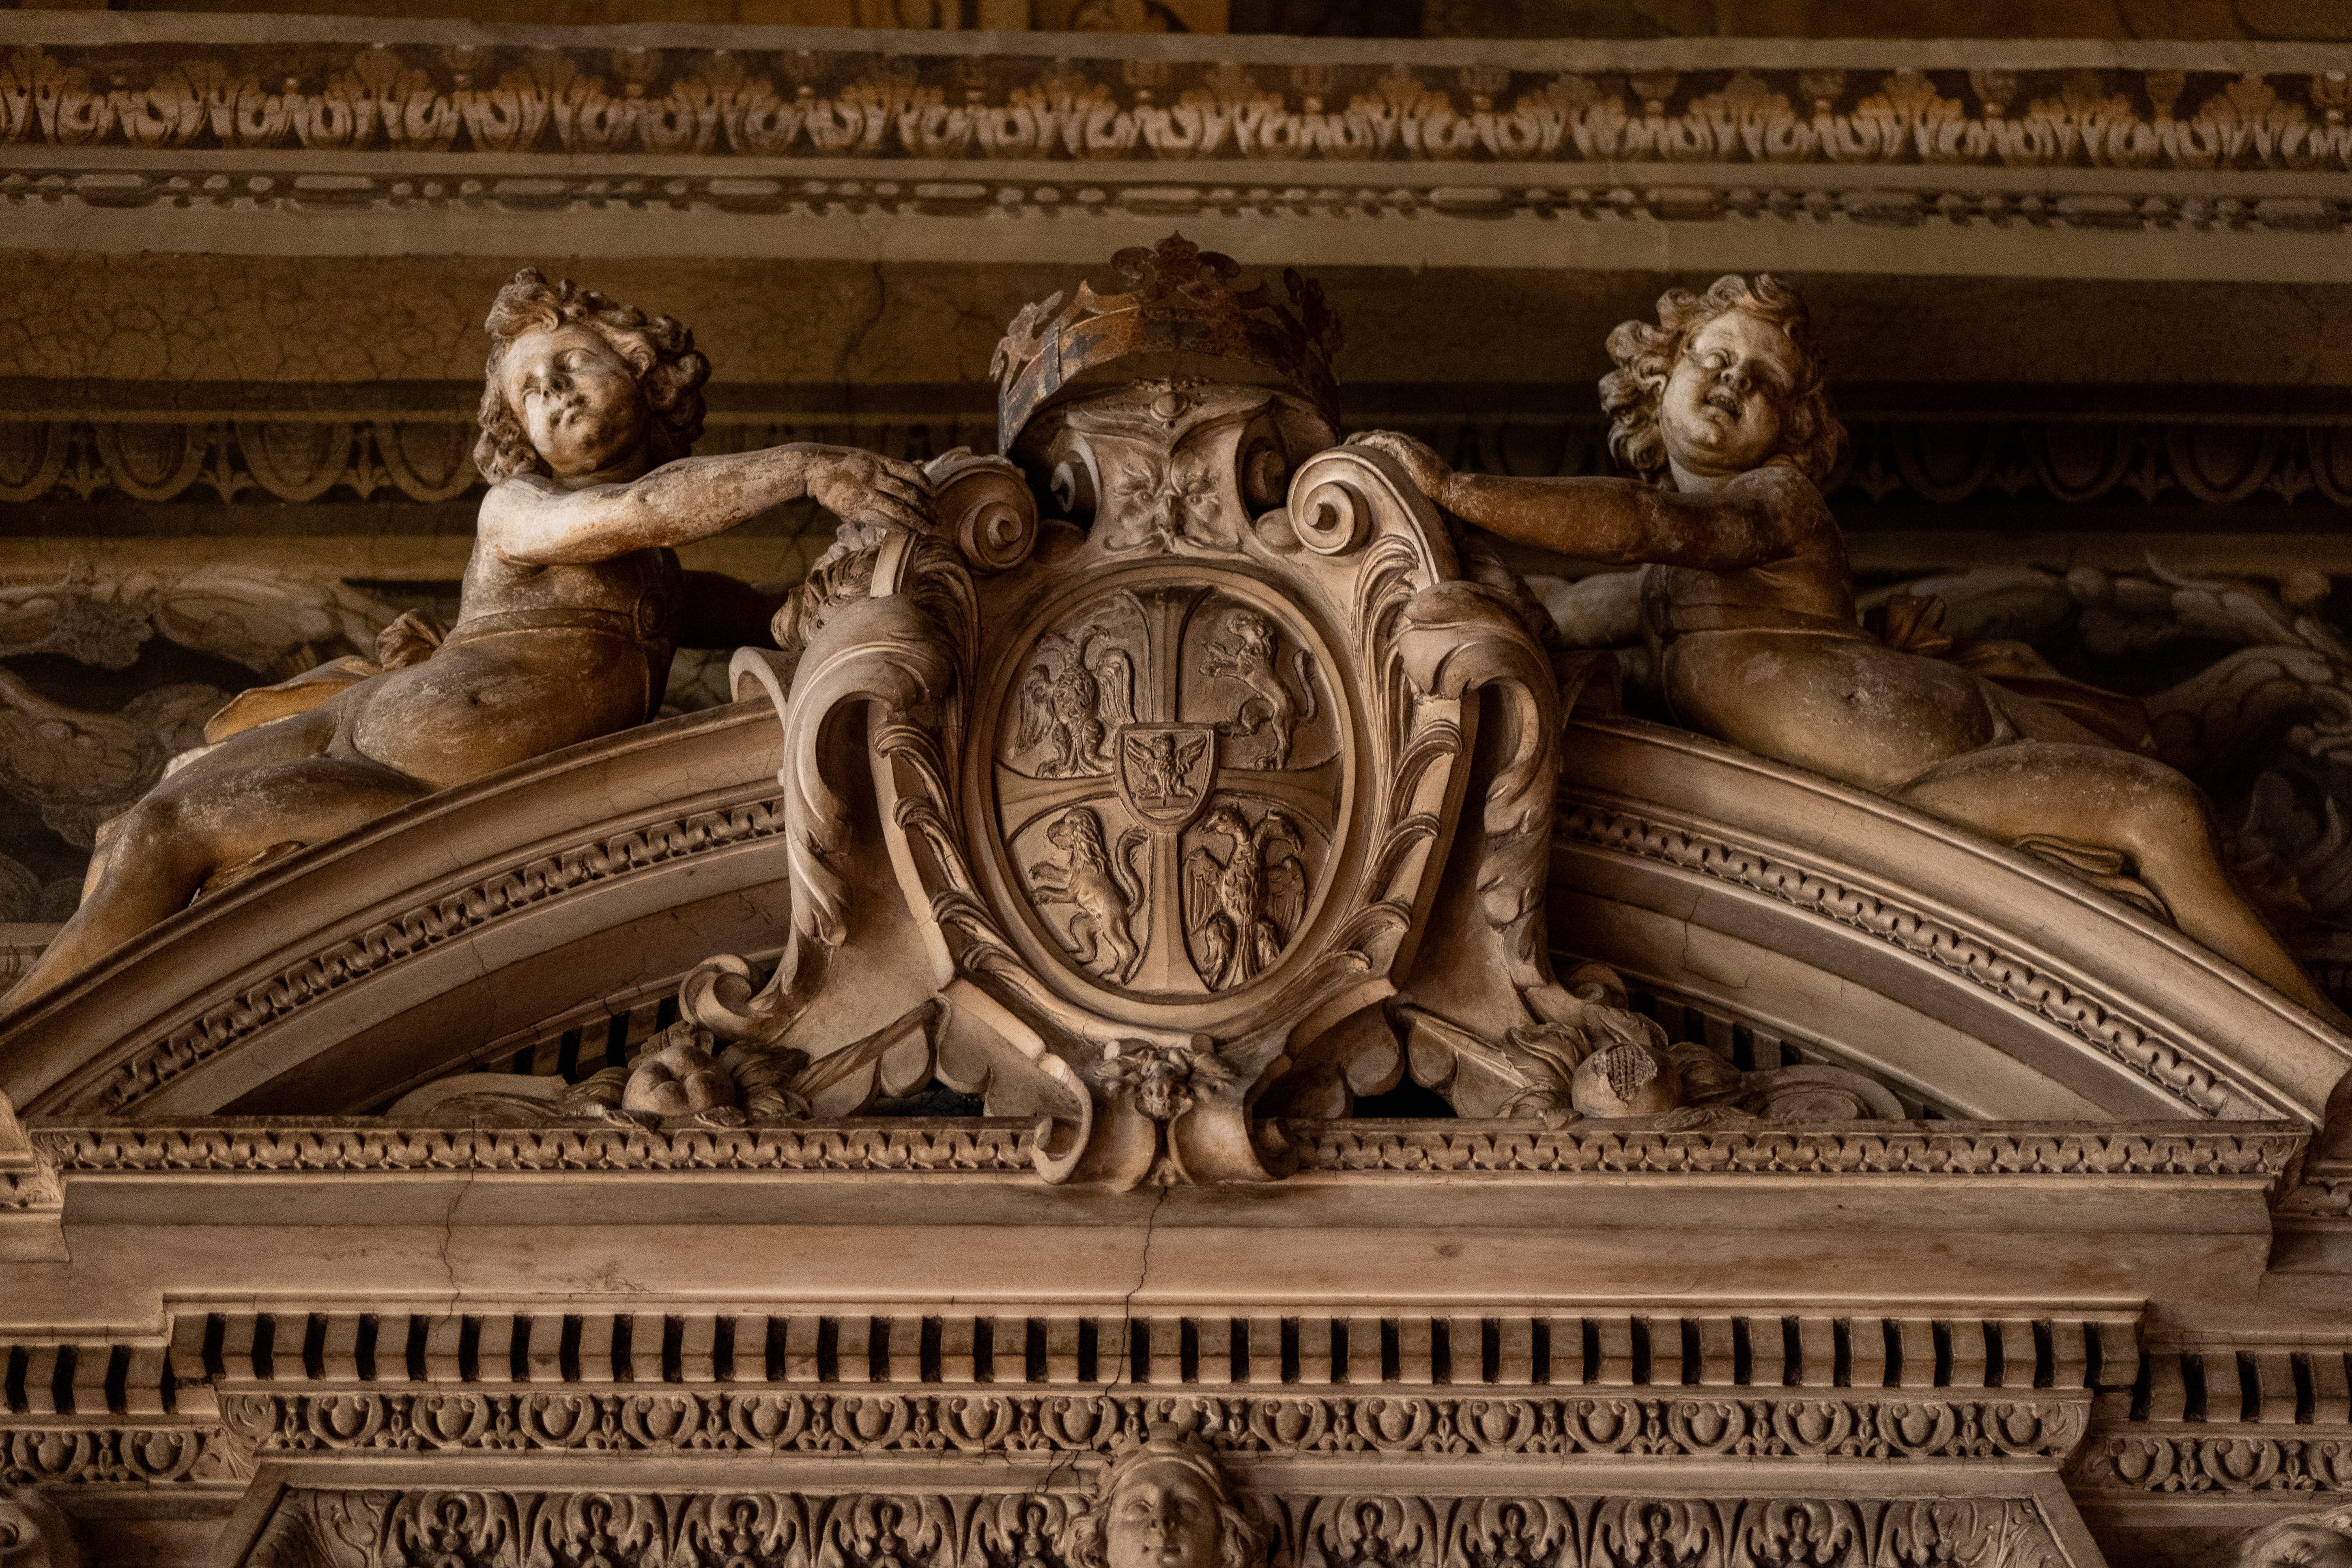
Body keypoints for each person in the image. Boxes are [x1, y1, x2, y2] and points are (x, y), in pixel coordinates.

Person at [1353, 273, 2343, 1022]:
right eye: (1715, 359)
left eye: (1764, 381)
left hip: (1961, 762)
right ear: (1657, 378)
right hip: (1904, 804)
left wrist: (1460, 491)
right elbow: (1552, 616)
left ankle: (2318, 1053)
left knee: (2162, 807)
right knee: (2158, 809)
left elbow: (1660, 525)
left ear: (1794, 430)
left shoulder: (1774, 503)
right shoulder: (1654, 591)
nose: (1733, 382)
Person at [5, 267, 924, 1009]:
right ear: (518, 435)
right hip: (368, 747)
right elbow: (638, 510)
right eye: (528, 391)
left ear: (648, 375)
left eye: (573, 363)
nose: (551, 391)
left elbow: (772, 610)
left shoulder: (666, 587)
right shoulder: (518, 510)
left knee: (164, 827)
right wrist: (806, 467)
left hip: (417, 798)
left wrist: (863, 569)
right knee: (154, 825)